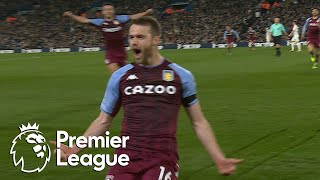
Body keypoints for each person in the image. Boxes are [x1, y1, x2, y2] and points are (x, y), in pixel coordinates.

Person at [51, 16, 243, 179]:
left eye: (140, 37)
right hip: (124, 159)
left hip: (161, 160)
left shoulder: (181, 76)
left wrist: (218, 157)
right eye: (131, 37)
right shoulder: (120, 76)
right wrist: (75, 148)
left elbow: (199, 122)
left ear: (155, 40)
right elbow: (103, 120)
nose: (133, 42)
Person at [63, 3, 153, 73]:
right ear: (103, 12)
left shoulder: (120, 19)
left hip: (122, 52)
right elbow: (84, 20)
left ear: (113, 11)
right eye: (106, 10)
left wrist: (146, 13)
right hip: (111, 53)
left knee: (126, 75)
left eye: (110, 9)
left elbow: (133, 16)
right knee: (116, 76)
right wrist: (71, 15)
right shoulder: (100, 22)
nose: (108, 11)